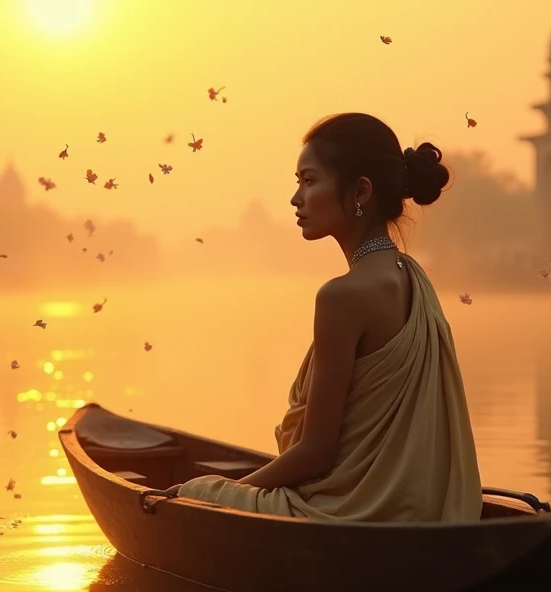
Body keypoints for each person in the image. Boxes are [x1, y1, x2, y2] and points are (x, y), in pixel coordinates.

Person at [168, 113, 483, 523]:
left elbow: (316, 453)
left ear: (361, 191)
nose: (296, 197)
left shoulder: (342, 296)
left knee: (193, 492)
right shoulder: (411, 276)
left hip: (351, 512)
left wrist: (225, 492)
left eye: (309, 180)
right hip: (416, 509)